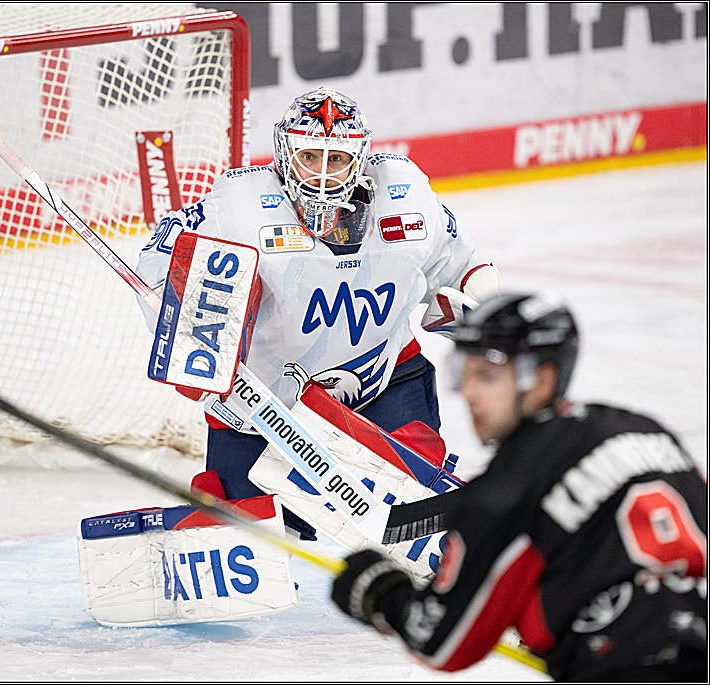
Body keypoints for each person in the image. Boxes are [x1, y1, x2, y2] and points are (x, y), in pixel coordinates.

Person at [136, 86, 498, 539]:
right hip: (263, 403)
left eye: (337, 160)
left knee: (415, 506)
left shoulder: (405, 198)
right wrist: (187, 322)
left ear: (360, 159)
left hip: (381, 379)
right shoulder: (240, 207)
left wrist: (482, 307)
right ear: (286, 155)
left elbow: (460, 262)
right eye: (310, 157)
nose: (323, 175)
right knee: (246, 530)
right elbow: (159, 254)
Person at [330, 291, 708, 681]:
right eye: (465, 371)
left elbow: (443, 642)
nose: (469, 392)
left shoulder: (511, 484)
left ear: (543, 380)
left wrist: (381, 593)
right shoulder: (645, 431)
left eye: (488, 376)